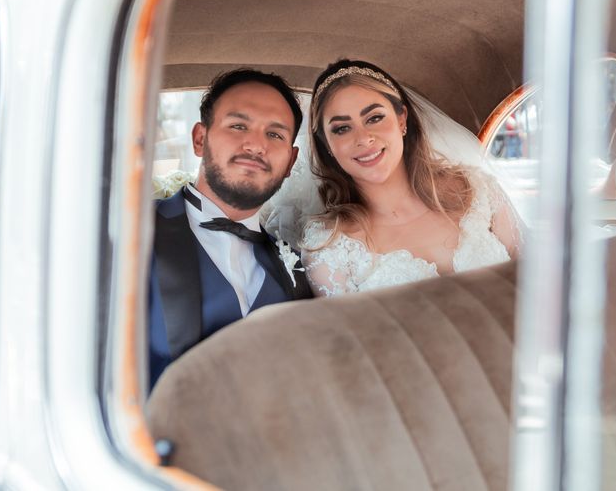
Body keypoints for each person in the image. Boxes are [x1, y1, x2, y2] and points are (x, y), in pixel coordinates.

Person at [148, 69, 312, 388]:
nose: (256, 145)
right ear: (199, 138)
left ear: (291, 162)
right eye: (238, 126)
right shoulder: (129, 233)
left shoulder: (296, 265)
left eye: (275, 134)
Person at [301, 59, 522, 297]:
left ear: (401, 119)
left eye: (374, 118)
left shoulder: (478, 191)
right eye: (342, 128)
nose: (364, 138)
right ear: (327, 144)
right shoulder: (329, 248)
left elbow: (540, 281)